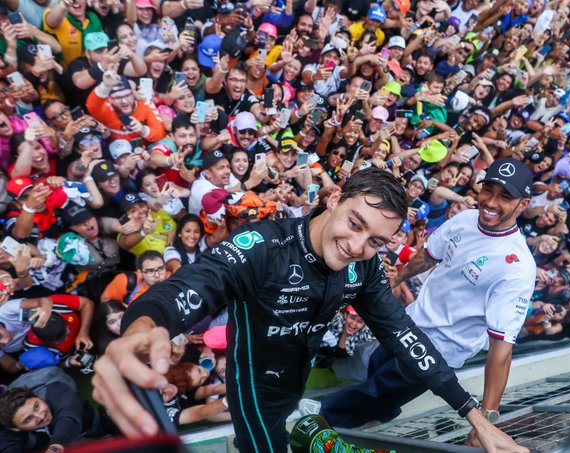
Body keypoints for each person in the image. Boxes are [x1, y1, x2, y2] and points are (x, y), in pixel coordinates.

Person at [92, 167, 526, 453]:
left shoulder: (365, 267)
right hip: (255, 391)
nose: (357, 247)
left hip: (298, 382)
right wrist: (143, 325)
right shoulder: (264, 245)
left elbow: (406, 337)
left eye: (375, 241)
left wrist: (476, 416)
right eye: (355, 224)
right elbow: (194, 284)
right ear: (334, 198)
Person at [321, 159, 536, 438]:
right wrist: (396, 279)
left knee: (377, 391)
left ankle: (323, 417)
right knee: (378, 365)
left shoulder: (518, 267)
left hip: (441, 347)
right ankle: (384, 410)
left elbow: (501, 347)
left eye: (505, 196)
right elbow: (428, 255)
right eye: (489, 190)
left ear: (523, 204)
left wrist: (486, 419)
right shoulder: (466, 218)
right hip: (411, 320)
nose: (492, 201)